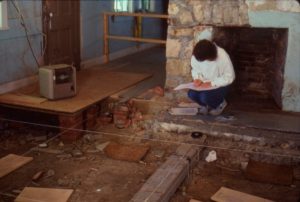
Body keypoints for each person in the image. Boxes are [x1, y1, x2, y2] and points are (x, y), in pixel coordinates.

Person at [188, 39, 235, 115]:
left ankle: (220, 104)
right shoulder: (197, 54)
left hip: (220, 84)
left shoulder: (222, 55)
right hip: (204, 83)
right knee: (191, 94)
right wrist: (197, 78)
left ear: (211, 56)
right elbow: (195, 69)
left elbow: (229, 77)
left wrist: (212, 83)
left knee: (204, 97)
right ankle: (205, 106)